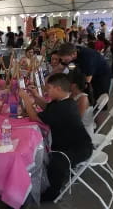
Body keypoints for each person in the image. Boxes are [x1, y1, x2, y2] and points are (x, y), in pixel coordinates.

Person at [19, 73, 93, 201]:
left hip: (78, 150)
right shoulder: (64, 101)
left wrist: (26, 99)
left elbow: (35, 117)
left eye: (49, 88)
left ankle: (52, 194)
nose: (46, 92)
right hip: (73, 144)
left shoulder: (64, 107)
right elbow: (48, 108)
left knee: (56, 164)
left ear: (58, 89)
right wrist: (36, 96)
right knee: (49, 158)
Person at [69, 70, 94, 136]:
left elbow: (77, 119)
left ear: (74, 85)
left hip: (84, 131)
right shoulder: (73, 94)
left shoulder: (83, 98)